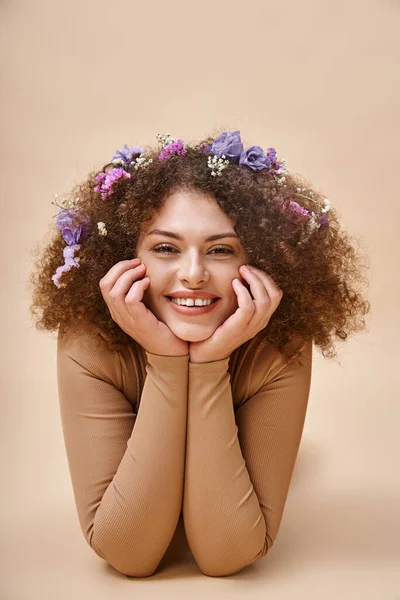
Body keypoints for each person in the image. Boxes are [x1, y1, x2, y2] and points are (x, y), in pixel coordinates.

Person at [28, 130, 370, 578]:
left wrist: (209, 364)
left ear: (262, 263)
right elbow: (128, 553)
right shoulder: (87, 338)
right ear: (124, 257)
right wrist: (167, 362)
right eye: (166, 248)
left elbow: (226, 554)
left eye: (221, 250)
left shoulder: (279, 341)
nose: (193, 274)